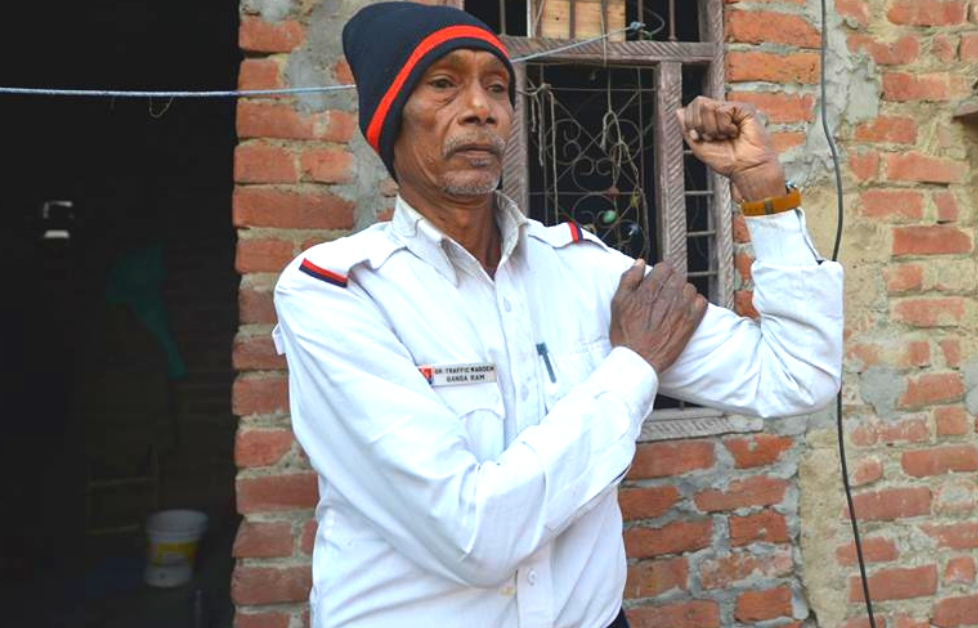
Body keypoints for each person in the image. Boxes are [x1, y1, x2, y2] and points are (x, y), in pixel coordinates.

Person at [271, 3, 843, 627]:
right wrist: (632, 367)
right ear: (388, 118)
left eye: (497, 87)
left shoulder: (582, 270)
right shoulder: (337, 293)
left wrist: (764, 188)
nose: (480, 108)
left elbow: (798, 374)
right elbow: (474, 535)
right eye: (442, 84)